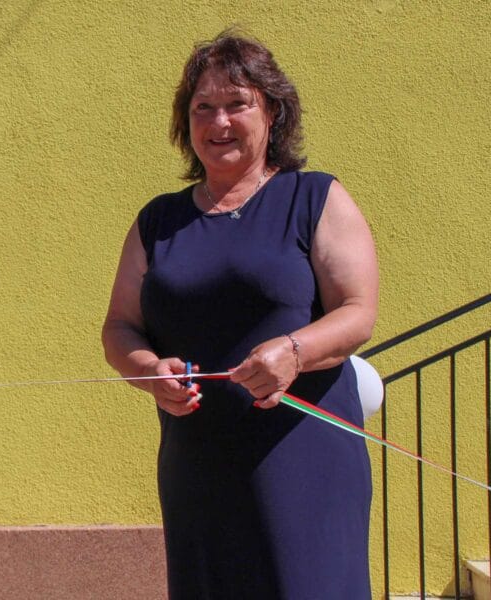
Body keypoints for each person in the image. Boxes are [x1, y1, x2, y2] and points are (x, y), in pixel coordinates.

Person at [101, 29, 379, 599]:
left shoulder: (314, 198)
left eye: (237, 103)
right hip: (198, 468)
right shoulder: (158, 221)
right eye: (202, 107)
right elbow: (119, 326)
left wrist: (295, 351)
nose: (219, 121)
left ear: (272, 112)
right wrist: (147, 369)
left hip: (303, 461)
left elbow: (357, 313)